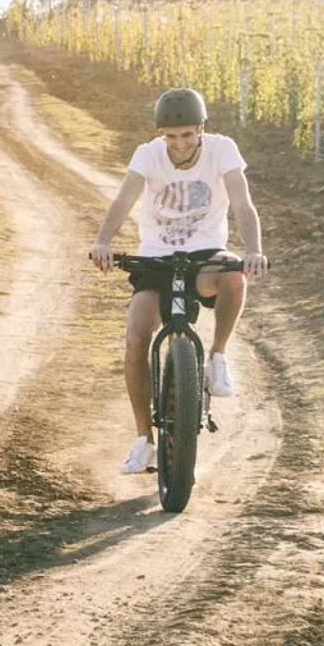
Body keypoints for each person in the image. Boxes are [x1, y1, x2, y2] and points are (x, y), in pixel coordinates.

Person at [88, 87, 268, 474]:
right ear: (160, 135)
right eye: (171, 137)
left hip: (204, 255)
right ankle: (143, 441)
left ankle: (218, 357)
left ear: (201, 129)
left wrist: (252, 249)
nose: (180, 144)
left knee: (235, 275)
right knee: (136, 335)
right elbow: (123, 201)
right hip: (156, 258)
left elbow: (242, 203)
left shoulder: (222, 149)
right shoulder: (148, 155)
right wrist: (103, 240)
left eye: (187, 135)